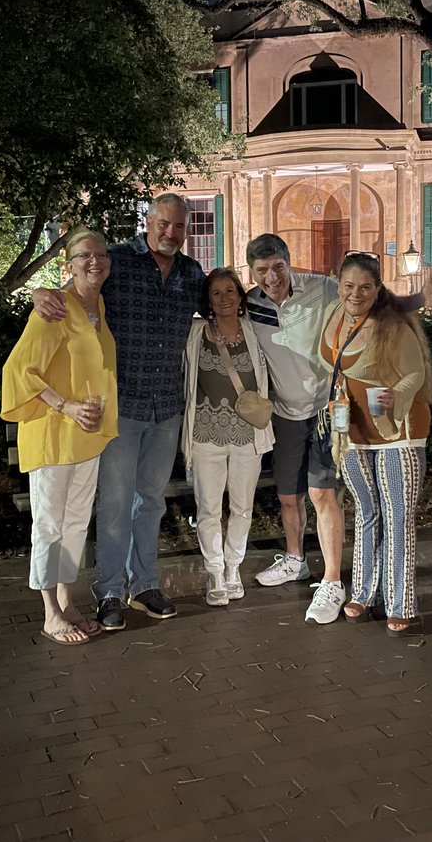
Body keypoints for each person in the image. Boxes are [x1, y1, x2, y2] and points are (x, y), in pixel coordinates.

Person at [32, 193, 202, 631]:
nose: (170, 232)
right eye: (163, 223)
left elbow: (228, 306)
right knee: (115, 504)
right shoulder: (117, 262)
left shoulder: (192, 273)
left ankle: (143, 585)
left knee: (150, 504)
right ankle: (108, 590)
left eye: (179, 226)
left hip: (166, 405)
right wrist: (39, 292)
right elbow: (77, 290)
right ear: (148, 221)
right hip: (120, 407)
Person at [1, 226, 118, 645]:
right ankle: (50, 611)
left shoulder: (97, 304)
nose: (94, 262)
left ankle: (67, 601)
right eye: (84, 255)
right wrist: (64, 405)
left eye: (100, 254)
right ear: (67, 264)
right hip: (53, 434)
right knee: (49, 526)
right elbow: (18, 372)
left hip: (87, 436)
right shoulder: (52, 309)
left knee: (74, 524)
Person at [319, 252, 432, 636]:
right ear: (338, 284)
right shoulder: (333, 316)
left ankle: (401, 602)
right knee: (366, 512)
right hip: (350, 430)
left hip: (395, 432)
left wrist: (395, 395)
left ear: (377, 289)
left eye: (365, 287)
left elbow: (415, 373)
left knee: (397, 517)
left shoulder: (393, 325)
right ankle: (365, 592)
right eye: (349, 286)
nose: (356, 294)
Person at [244, 234, 349, 625]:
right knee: (289, 496)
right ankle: (295, 560)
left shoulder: (321, 288)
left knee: (323, 495)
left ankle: (333, 581)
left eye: (278, 267)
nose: (271, 277)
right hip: (285, 414)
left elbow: (367, 304)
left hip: (325, 408)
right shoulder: (249, 305)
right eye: (261, 271)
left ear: (289, 262)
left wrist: (418, 301)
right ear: (252, 273)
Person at [181, 268, 274, 606]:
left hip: (248, 435)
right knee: (208, 508)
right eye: (216, 293)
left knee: (242, 507)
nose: (223, 299)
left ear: (240, 296)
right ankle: (215, 572)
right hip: (205, 433)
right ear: (207, 300)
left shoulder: (255, 333)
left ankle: (234, 567)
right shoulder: (195, 334)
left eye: (229, 292)